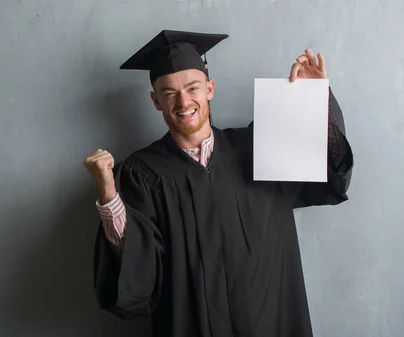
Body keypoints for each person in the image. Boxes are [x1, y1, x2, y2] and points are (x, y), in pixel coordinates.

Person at [83, 30, 353, 337]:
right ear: (155, 101)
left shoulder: (258, 146)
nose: (183, 101)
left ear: (210, 88)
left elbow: (328, 173)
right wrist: (107, 193)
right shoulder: (143, 172)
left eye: (192, 87)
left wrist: (316, 99)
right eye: (169, 93)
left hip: (270, 321)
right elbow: (139, 271)